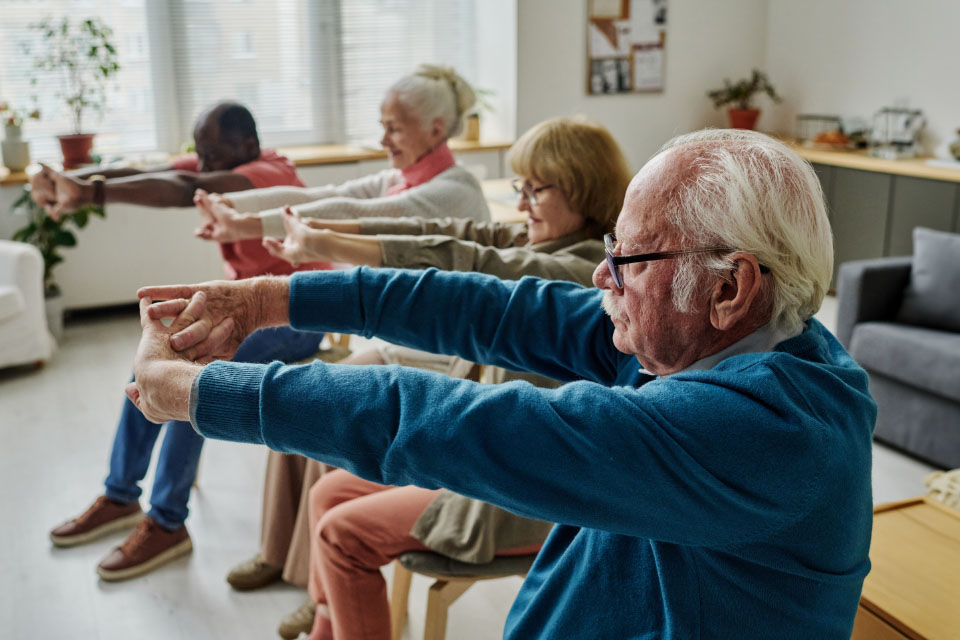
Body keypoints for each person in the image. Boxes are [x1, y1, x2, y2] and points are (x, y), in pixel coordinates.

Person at [129, 129, 877, 639]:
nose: (602, 275)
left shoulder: (768, 431)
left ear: (730, 289)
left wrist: (200, 393)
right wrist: (272, 299)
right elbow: (494, 307)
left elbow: (452, 422)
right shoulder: (698, 339)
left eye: (629, 258)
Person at [226, 117, 632, 639]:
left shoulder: (582, 269)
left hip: (526, 489)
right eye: (521, 187)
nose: (522, 202)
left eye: (538, 190)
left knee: (339, 533)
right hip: (484, 454)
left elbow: (471, 259)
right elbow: (450, 235)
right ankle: (331, 624)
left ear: (583, 188)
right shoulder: (546, 238)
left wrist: (321, 255)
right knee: (327, 494)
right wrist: (322, 238)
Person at [45, 101, 332, 581]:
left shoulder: (266, 175)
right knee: (151, 361)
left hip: (297, 314)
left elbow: (182, 187)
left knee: (190, 381)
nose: (202, 164)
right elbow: (152, 172)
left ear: (248, 146)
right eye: (199, 153)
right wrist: (73, 180)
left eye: (212, 154)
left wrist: (90, 192)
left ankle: (167, 522)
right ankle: (120, 495)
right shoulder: (219, 161)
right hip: (245, 305)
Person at [190, 65, 489, 250]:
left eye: (394, 129)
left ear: (435, 129)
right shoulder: (399, 179)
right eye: (383, 128)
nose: (383, 141)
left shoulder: (454, 191)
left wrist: (245, 225)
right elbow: (326, 196)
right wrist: (230, 204)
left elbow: (354, 213)